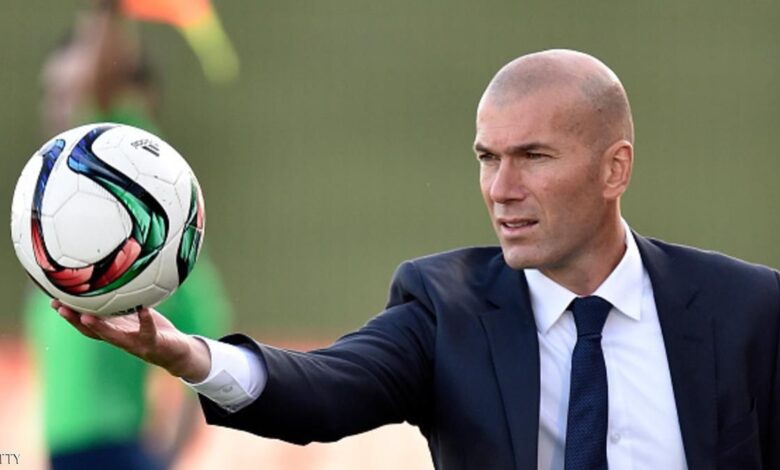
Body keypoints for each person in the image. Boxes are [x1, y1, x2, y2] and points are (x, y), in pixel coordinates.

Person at [55, 49, 779, 470]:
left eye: (533, 156)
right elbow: (325, 389)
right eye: (487, 158)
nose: (501, 188)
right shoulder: (444, 307)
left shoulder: (748, 310)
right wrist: (187, 355)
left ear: (614, 168)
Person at [28, 3, 231, 469]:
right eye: (52, 93)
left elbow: (102, 83)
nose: (57, 106)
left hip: (110, 451)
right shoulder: (72, 220)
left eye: (68, 92)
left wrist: (106, 11)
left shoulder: (122, 158)